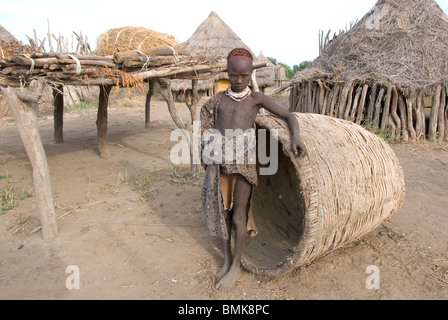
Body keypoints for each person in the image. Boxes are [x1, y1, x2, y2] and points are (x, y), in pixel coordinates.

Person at [200, 48, 307, 291]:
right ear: (227, 72)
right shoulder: (217, 101)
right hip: (220, 166)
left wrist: (296, 138)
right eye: (234, 75)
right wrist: (206, 150)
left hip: (245, 166)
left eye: (244, 76)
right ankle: (227, 260)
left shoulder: (255, 99)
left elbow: (288, 115)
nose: (238, 81)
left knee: (238, 214)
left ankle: (236, 266)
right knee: (223, 214)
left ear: (250, 75)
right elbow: (205, 122)